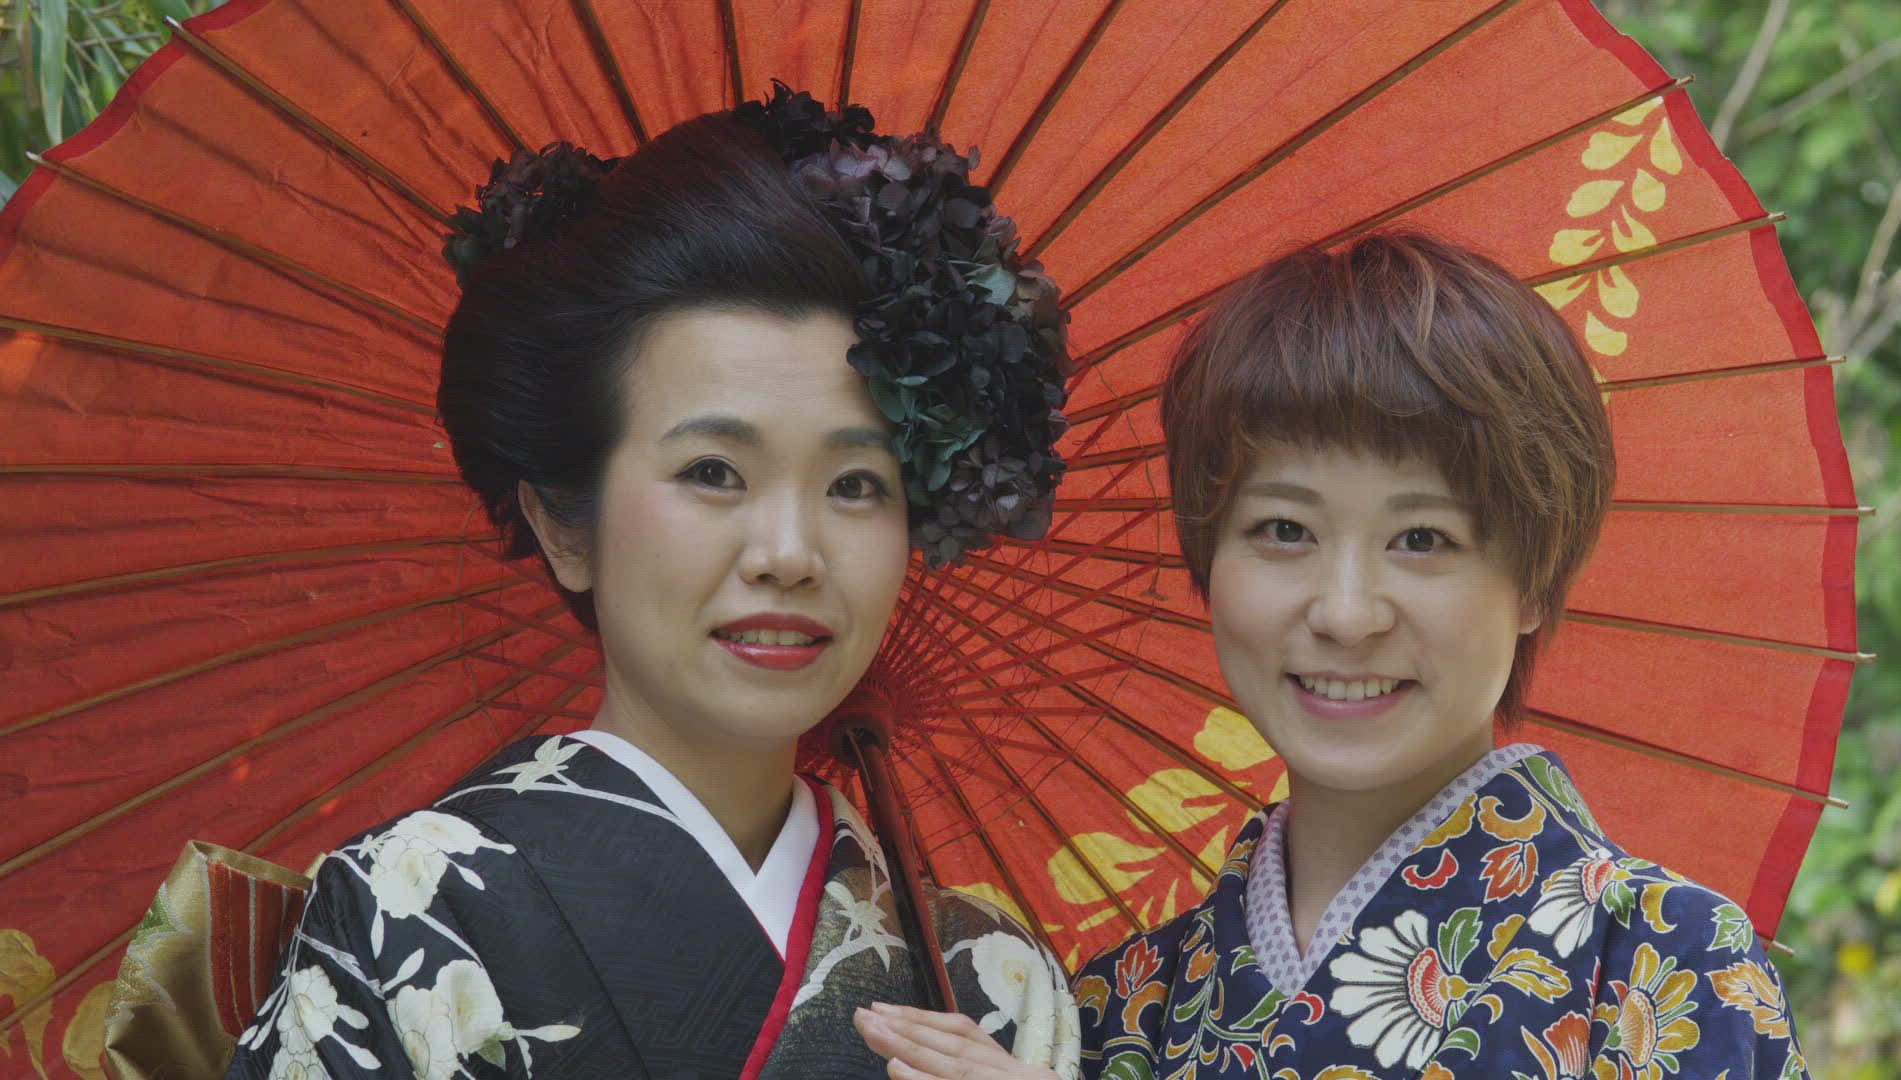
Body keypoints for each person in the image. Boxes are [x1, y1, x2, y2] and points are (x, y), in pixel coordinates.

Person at [221, 91, 1080, 1079]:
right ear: (564, 526)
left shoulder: (990, 982)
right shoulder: (410, 914)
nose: (789, 553)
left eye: (854, 484)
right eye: (713, 471)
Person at [855, 233, 1809, 1078]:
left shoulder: (1664, 965)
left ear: (1533, 580)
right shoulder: (1116, 1013)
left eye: (1423, 539)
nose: (1347, 614)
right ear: (1208, 560)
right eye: (1284, 530)